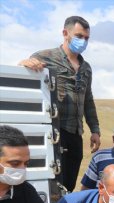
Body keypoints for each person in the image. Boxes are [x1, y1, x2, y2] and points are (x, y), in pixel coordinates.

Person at [19, 16, 101, 192]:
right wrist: (24, 64)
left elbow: (88, 99)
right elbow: (26, 78)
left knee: (69, 183)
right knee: (52, 179)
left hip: (75, 132)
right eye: (79, 36)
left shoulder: (86, 68)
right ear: (65, 33)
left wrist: (95, 129)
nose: (83, 41)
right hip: (54, 129)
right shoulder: (45, 57)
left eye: (86, 38)